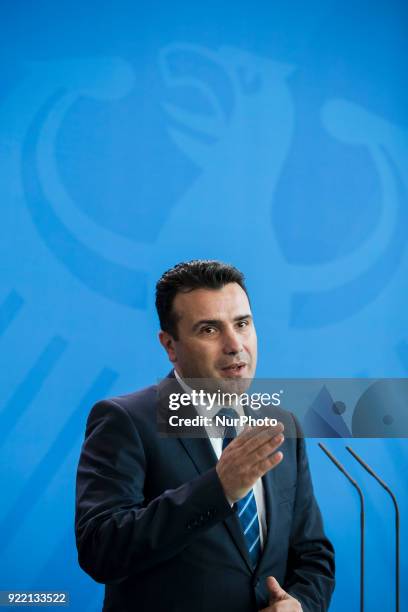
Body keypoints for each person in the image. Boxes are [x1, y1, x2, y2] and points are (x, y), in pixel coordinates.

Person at [75, 260, 335, 611]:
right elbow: (101, 549)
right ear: (170, 345)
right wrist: (218, 488)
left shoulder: (282, 425)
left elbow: (313, 554)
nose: (234, 345)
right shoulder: (125, 421)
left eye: (242, 324)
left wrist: (301, 604)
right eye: (209, 330)